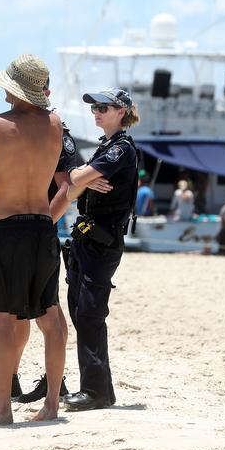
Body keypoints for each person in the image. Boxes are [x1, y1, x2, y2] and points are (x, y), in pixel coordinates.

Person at [0, 54, 65, 425]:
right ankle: (52, 404)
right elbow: (45, 166)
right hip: (42, 225)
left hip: (8, 228)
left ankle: (3, 407)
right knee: (50, 315)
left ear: (15, 88)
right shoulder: (56, 124)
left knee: (6, 318)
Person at [0, 119, 92, 403]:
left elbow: (67, 187)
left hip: (30, 226)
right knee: (20, 312)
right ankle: (8, 379)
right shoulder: (15, 127)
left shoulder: (54, 130)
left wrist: (47, 219)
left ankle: (52, 383)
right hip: (27, 224)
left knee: (44, 315)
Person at [63, 88, 140, 411]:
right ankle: (100, 388)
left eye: (103, 107)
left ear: (121, 111)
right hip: (86, 239)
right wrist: (81, 178)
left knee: (90, 313)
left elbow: (75, 178)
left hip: (102, 242)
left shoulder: (121, 149)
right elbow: (71, 185)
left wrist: (81, 177)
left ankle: (95, 391)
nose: (96, 111)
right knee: (80, 310)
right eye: (95, 107)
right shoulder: (105, 148)